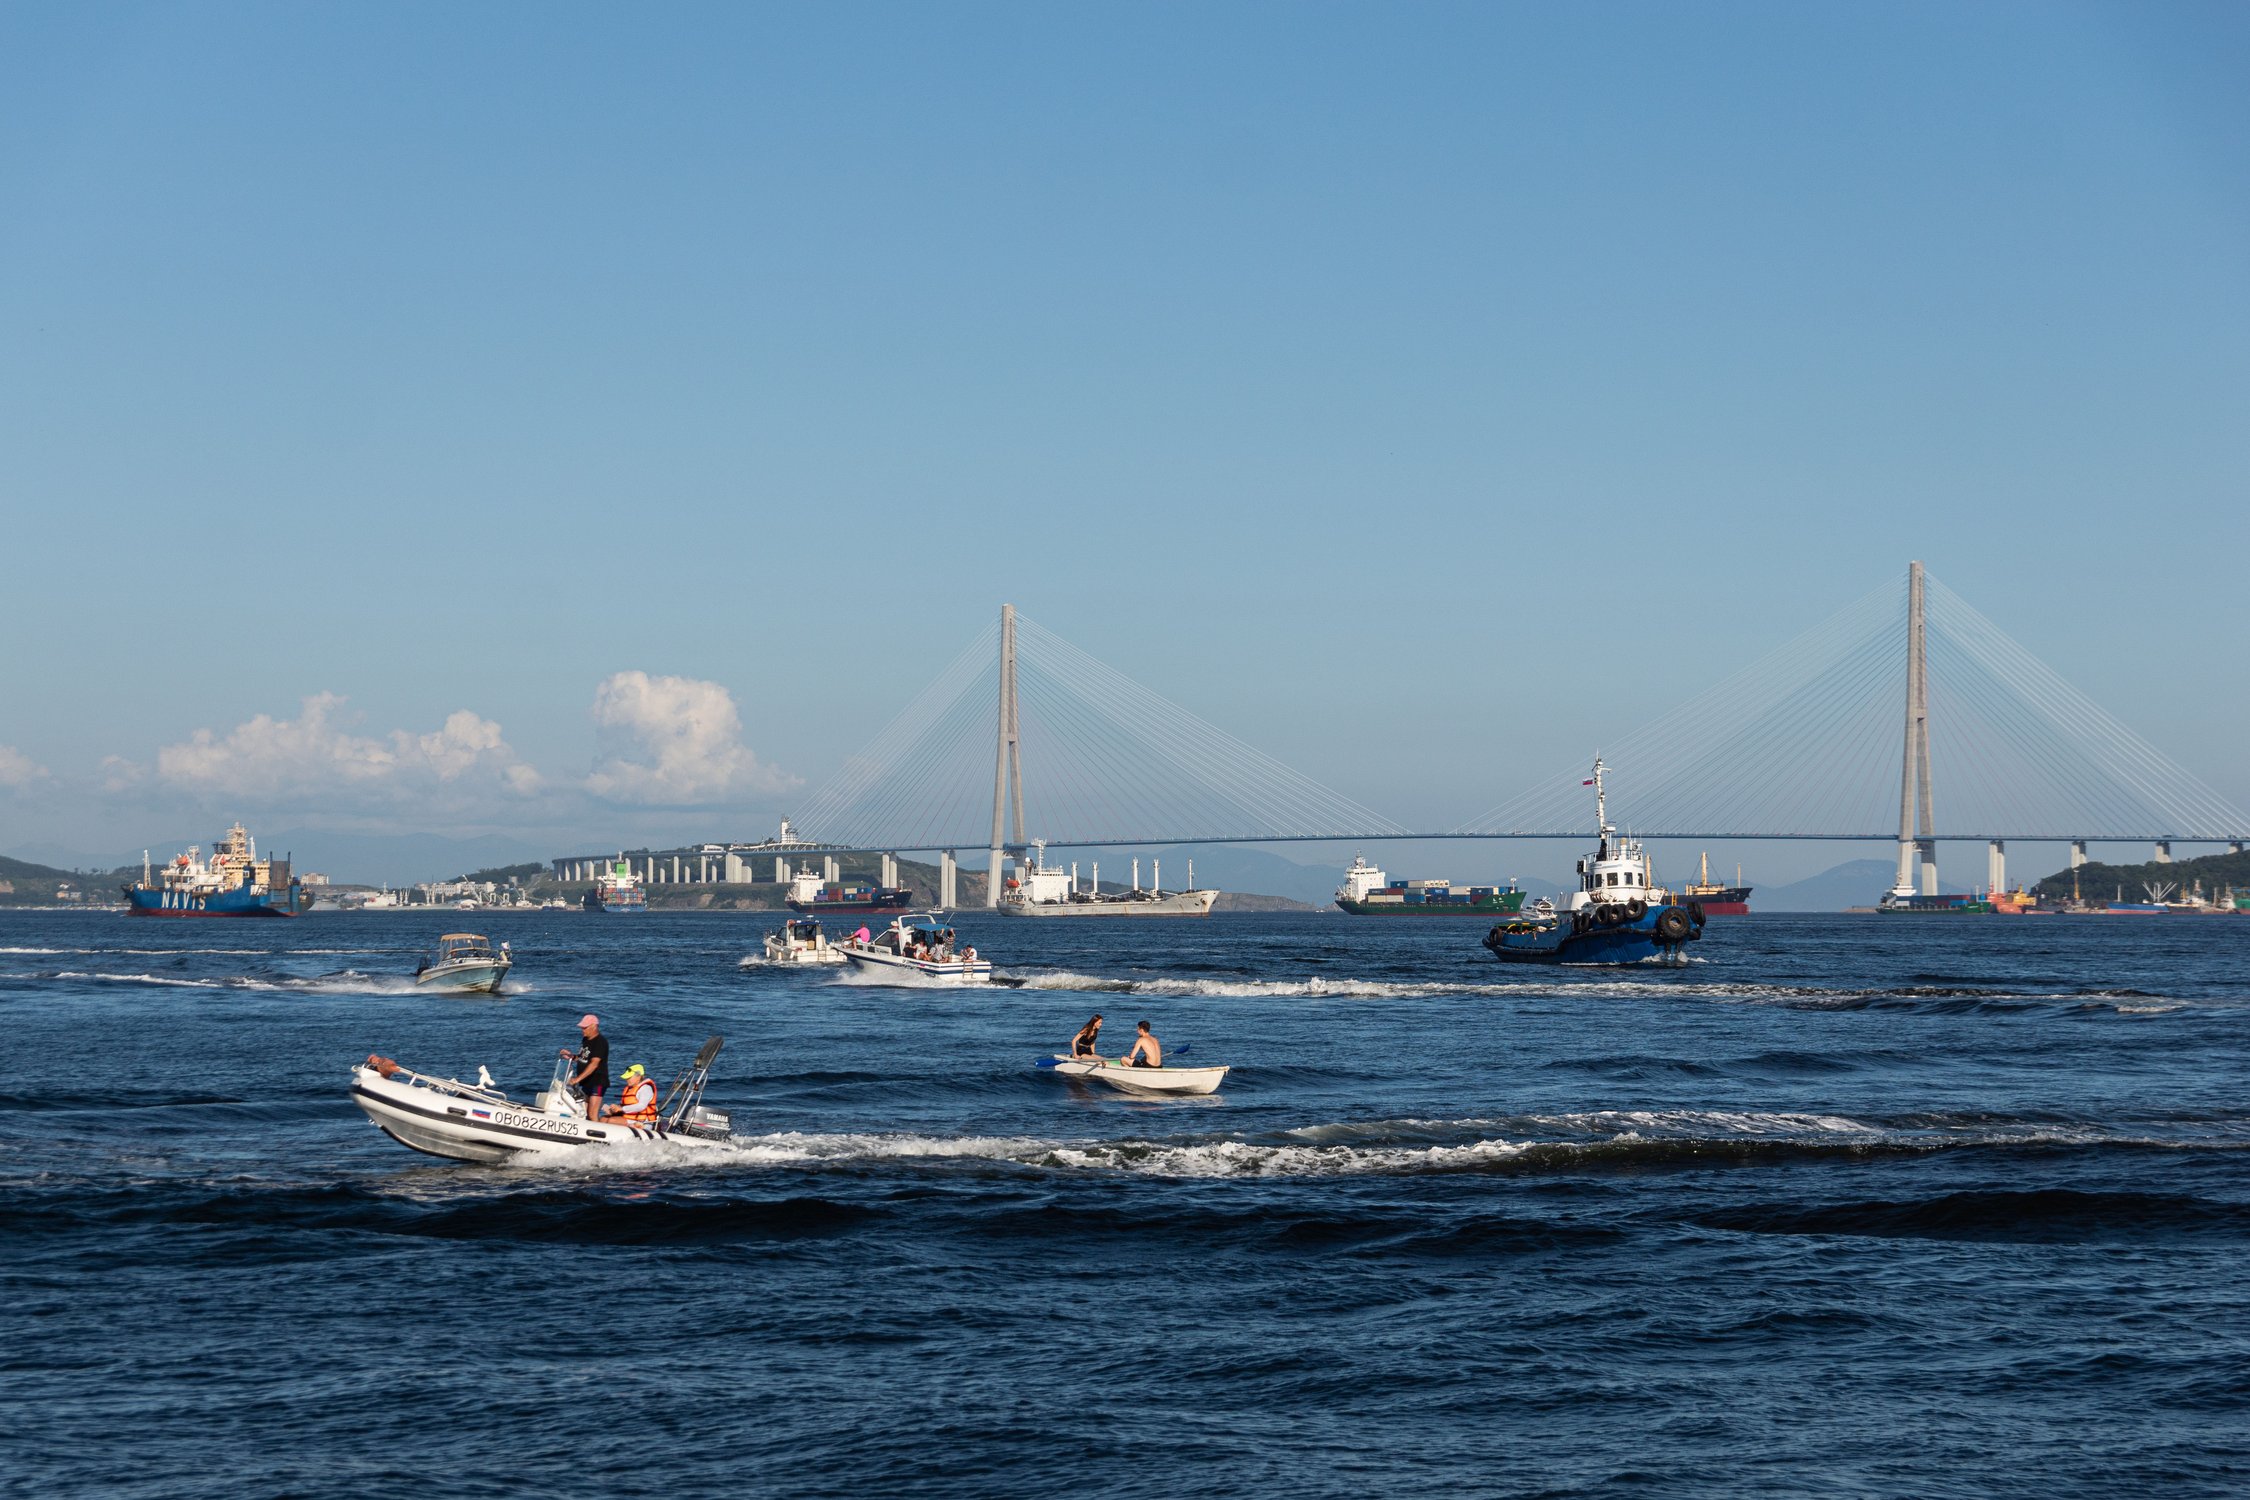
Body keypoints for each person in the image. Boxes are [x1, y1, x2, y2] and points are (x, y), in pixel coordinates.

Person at [560, 1013, 609, 1118]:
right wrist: (572, 1057)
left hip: (597, 1082)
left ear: (594, 1026)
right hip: (586, 1082)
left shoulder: (600, 1042)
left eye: (585, 1027)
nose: (583, 1030)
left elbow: (594, 1064)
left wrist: (576, 1079)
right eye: (582, 1027)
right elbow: (583, 1058)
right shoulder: (586, 1040)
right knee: (584, 1114)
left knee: (592, 1114)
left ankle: (599, 1132)